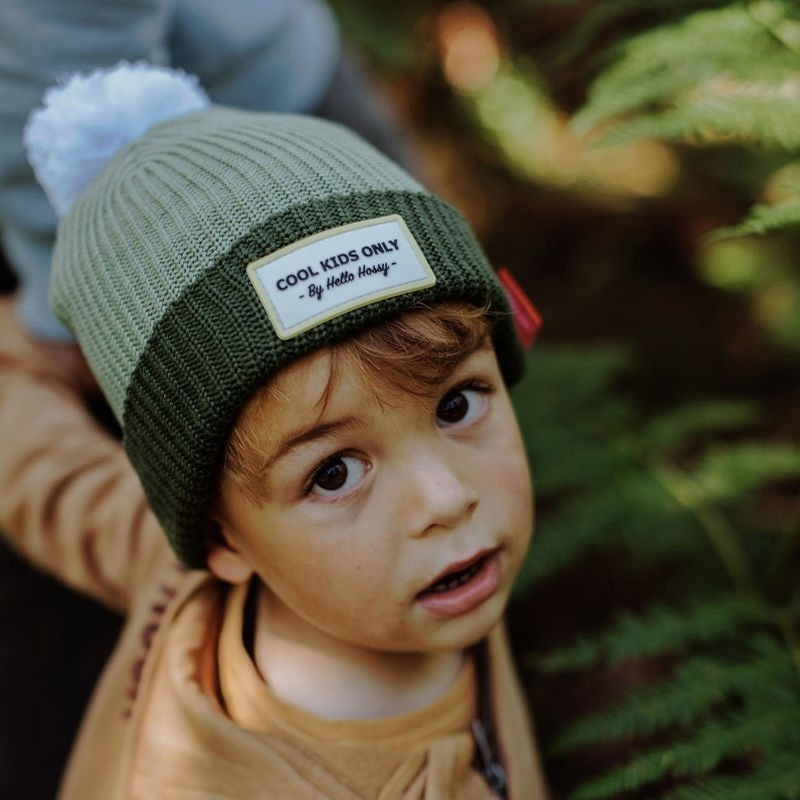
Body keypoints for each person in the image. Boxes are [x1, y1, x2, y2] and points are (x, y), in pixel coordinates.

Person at [0, 63, 548, 798]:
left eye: (456, 405)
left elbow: (50, 475)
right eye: (334, 473)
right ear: (222, 539)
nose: (445, 497)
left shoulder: (434, 576)